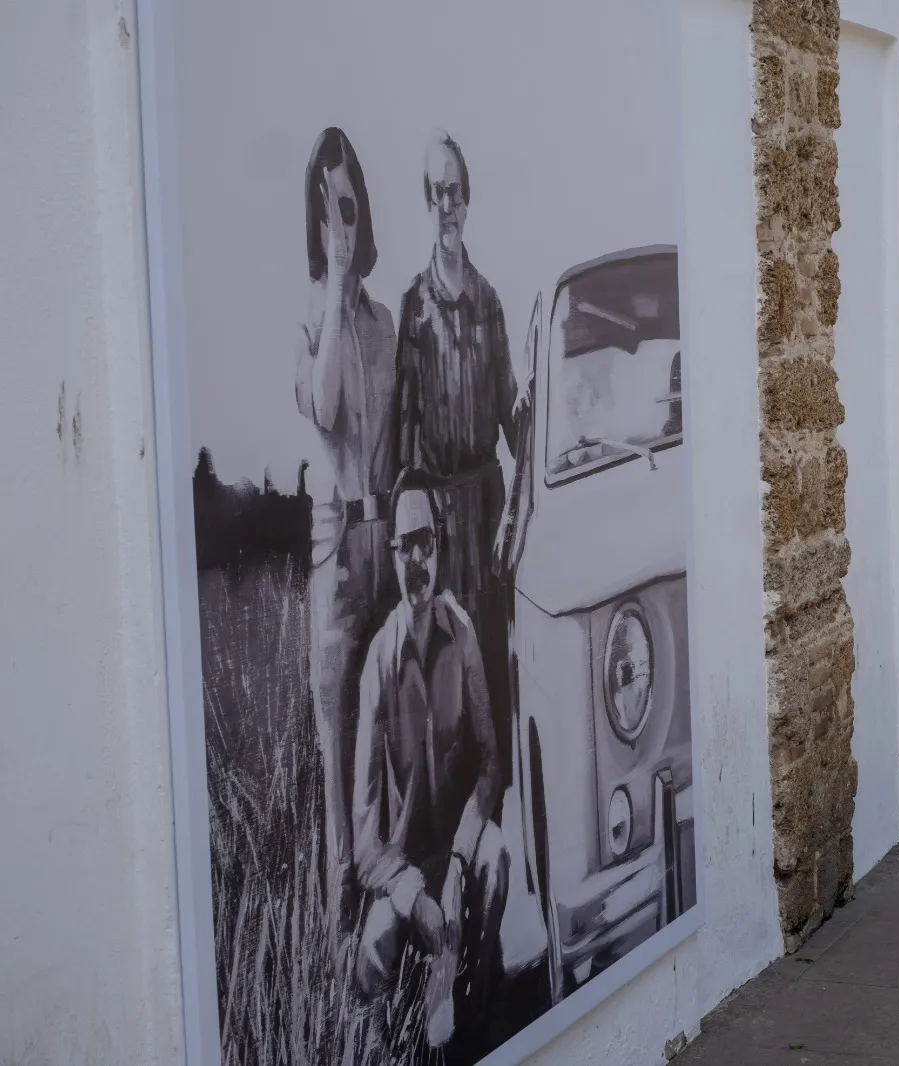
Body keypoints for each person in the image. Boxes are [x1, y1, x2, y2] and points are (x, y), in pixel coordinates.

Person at [352, 470, 509, 1049]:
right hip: (406, 871)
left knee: (499, 859)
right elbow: (365, 833)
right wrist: (412, 894)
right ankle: (395, 1045)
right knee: (372, 952)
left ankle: (476, 1008)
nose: (417, 559)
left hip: (456, 851)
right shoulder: (377, 663)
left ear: (439, 549)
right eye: (405, 545)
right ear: (392, 554)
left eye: (427, 543)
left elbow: (492, 762)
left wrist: (464, 857)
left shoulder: (461, 633)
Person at [292, 127, 398, 934]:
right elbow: (325, 408)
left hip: (388, 543)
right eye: (330, 205)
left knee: (390, 747)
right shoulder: (309, 330)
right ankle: (337, 944)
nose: (344, 221)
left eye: (351, 200)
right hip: (334, 562)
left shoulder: (385, 325)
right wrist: (331, 289)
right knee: (338, 763)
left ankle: (396, 933)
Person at [393, 131, 521, 797]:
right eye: (436, 192)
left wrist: (535, 473)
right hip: (440, 527)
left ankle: (499, 831)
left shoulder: (491, 302)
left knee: (494, 677)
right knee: (448, 689)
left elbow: (511, 412)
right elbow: (406, 441)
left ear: (468, 200)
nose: (447, 204)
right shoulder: (414, 310)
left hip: (489, 516)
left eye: (455, 191)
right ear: (427, 202)